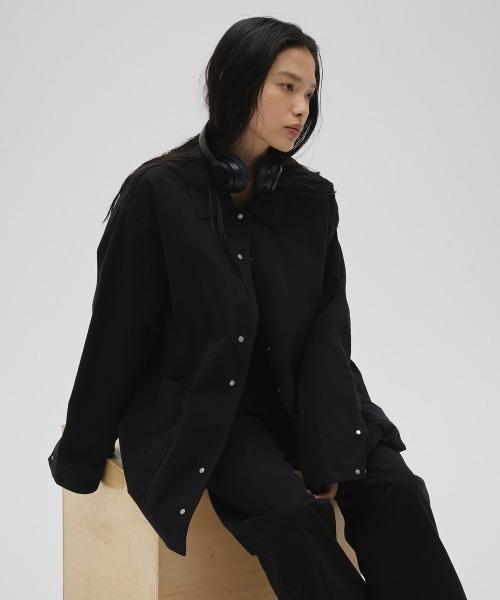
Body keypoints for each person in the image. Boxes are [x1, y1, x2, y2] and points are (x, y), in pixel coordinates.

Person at [48, 16, 468, 600]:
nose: (302, 108)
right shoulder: (159, 193)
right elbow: (119, 331)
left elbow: (327, 333)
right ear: (237, 80)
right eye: (287, 86)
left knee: (400, 491)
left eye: (310, 93)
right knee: (290, 514)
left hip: (303, 395)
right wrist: (81, 454)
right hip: (208, 407)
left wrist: (328, 448)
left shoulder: (312, 200)